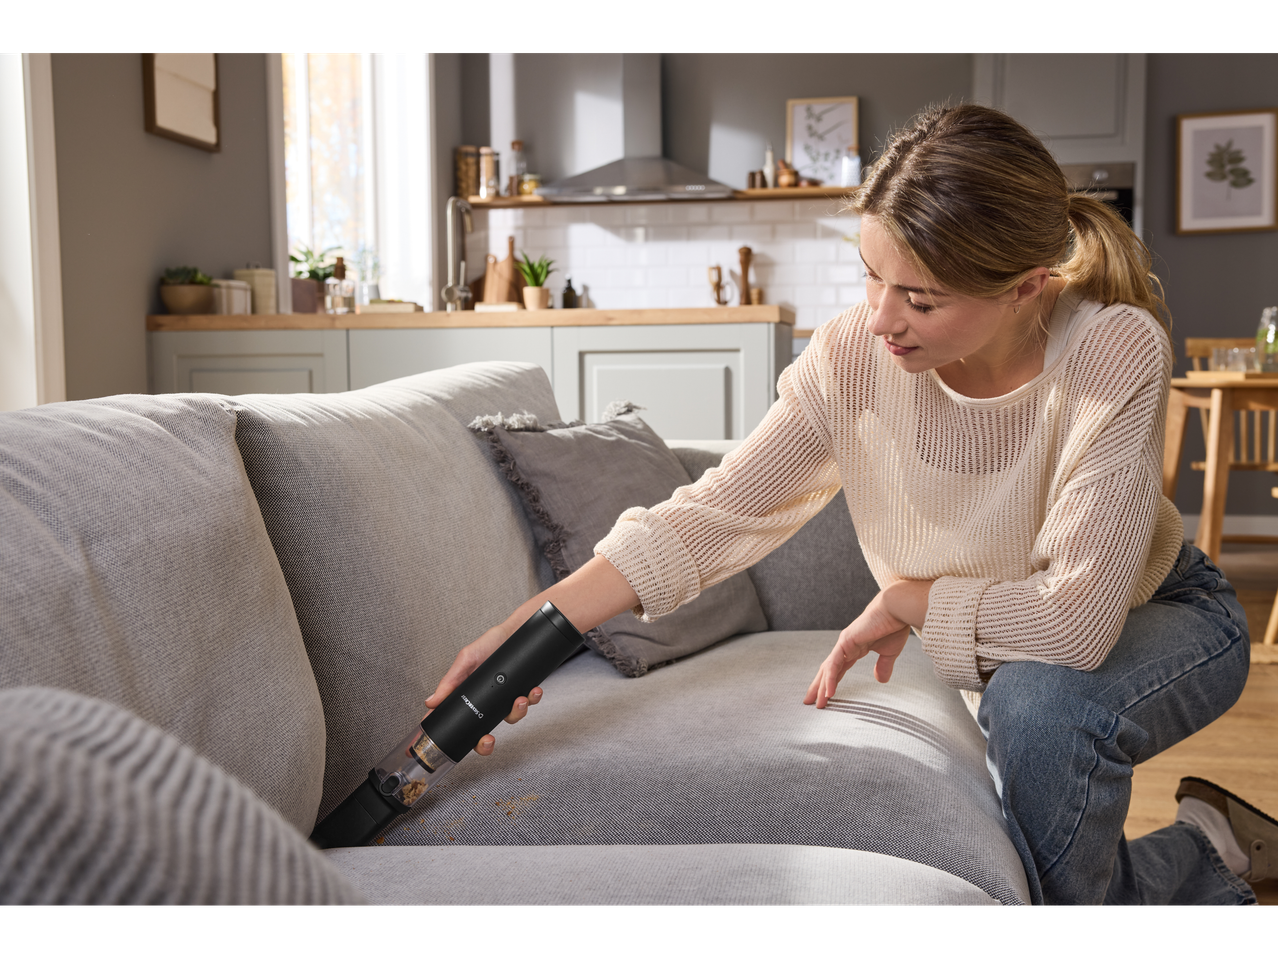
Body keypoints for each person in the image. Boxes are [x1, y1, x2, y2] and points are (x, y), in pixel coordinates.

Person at [427, 104, 1272, 906]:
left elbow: (1076, 624)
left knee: (1038, 707)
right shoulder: (852, 360)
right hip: (1020, 643)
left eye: (922, 298)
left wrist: (913, 598)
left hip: (1162, 612)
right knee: (1029, 701)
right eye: (871, 277)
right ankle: (1208, 849)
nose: (880, 320)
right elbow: (712, 515)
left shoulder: (1112, 348)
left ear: (1027, 286)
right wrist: (536, 625)